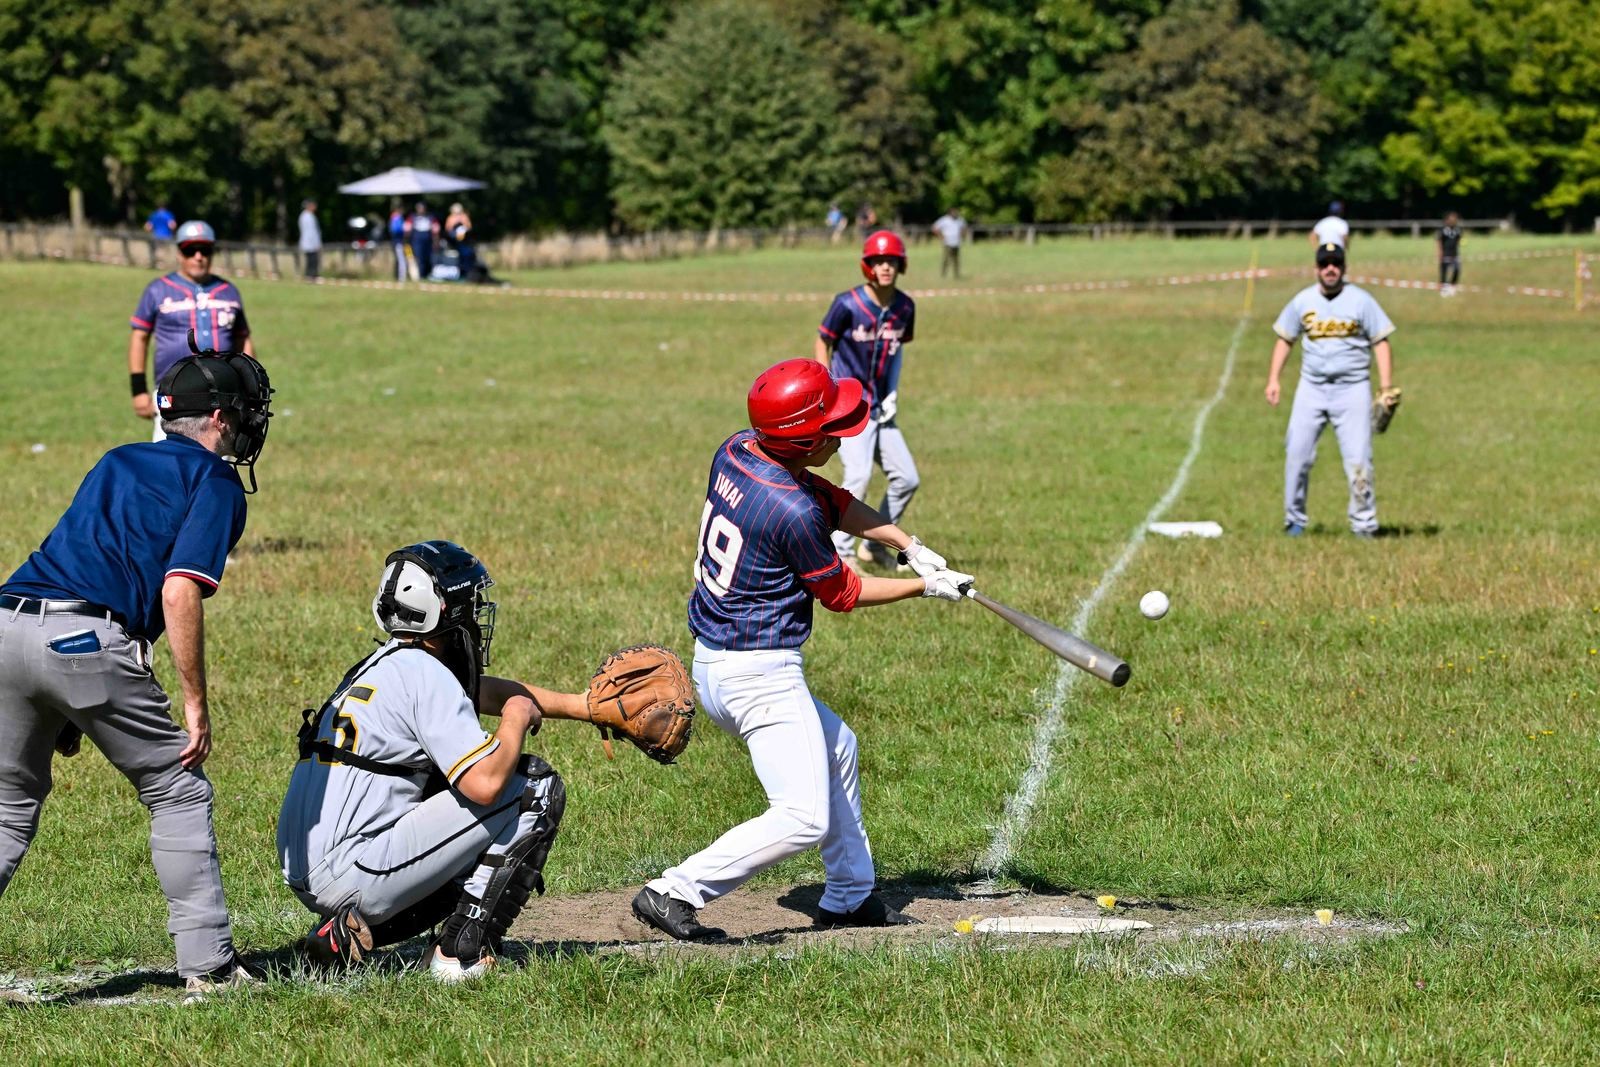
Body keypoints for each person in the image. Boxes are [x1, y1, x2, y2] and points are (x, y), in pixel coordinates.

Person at [631, 358, 972, 941]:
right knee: (802, 817)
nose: (839, 436)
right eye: (829, 428)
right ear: (801, 438)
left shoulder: (739, 448)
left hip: (719, 659)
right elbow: (842, 591)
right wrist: (927, 586)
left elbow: (830, 498)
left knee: (839, 745)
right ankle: (673, 891)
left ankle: (848, 894)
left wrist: (904, 541)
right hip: (758, 674)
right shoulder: (791, 513)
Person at [0, 351, 273, 1001]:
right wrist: (196, 703)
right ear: (217, 417)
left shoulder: (117, 459)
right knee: (177, 790)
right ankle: (209, 968)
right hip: (83, 640)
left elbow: (82, 563)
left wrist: (61, 704)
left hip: (6, 622)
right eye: (239, 412)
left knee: (5, 808)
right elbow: (179, 591)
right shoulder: (216, 482)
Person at [277, 541, 574, 982]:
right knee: (533, 788)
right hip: (354, 870)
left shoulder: (381, 665)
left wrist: (585, 707)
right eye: (469, 604)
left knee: (447, 789)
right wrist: (514, 719)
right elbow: (487, 784)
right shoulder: (426, 673)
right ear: (444, 611)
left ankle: (343, 934)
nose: (476, 616)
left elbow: (479, 691)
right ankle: (460, 955)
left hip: (312, 869)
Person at [1265, 243, 1398, 538]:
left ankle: (1364, 524)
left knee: (1359, 459)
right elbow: (1285, 338)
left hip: (1352, 389)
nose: (1330, 268)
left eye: (1336, 263)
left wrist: (1386, 387)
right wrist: (1274, 378)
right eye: (1324, 263)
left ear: (1344, 267)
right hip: (1311, 389)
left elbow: (1381, 341)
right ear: (1316, 268)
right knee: (1297, 455)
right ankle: (1294, 521)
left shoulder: (1361, 302)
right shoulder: (1302, 301)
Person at [814, 230, 918, 570]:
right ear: (867, 265)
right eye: (878, 261)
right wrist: (828, 388)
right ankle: (840, 553)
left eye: (891, 261)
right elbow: (822, 340)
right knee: (857, 476)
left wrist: (893, 391)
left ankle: (873, 545)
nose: (885, 267)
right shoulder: (847, 304)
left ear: (900, 264)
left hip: (880, 407)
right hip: (850, 407)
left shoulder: (905, 307)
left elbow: (897, 350)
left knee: (906, 478)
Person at [129, 220, 254, 441]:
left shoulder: (228, 292)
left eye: (205, 250)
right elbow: (139, 337)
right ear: (179, 253)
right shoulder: (158, 289)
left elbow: (242, 339)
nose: (198, 256)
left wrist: (249, 388)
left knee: (217, 465)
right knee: (169, 462)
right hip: (174, 392)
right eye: (190, 250)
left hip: (221, 393)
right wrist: (138, 390)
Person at [931, 208, 968, 279]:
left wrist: (962, 236)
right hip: (947, 243)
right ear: (950, 213)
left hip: (957, 242)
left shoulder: (960, 220)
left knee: (956, 260)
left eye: (956, 212)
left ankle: (956, 274)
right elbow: (935, 227)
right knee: (946, 259)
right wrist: (941, 236)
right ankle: (944, 274)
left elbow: (964, 228)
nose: (955, 214)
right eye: (953, 212)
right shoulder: (944, 220)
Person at [1437, 211, 1463, 296]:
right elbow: (1439, 241)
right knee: (1444, 271)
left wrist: (1460, 242)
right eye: (1451, 219)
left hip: (1455, 254)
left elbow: (1459, 239)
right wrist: (1440, 252)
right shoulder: (1443, 230)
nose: (1453, 221)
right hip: (1445, 254)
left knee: (1457, 269)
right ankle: (1443, 289)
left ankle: (1452, 286)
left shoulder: (1458, 230)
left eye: (1455, 219)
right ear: (1447, 220)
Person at [410, 202, 437, 282]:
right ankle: (419, 275)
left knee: (428, 258)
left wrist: (436, 241)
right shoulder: (412, 217)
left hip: (428, 240)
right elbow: (407, 230)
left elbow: (435, 230)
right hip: (417, 240)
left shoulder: (430, 217)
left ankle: (427, 274)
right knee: (419, 258)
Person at [297, 199, 322, 281]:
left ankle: (312, 275)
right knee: (312, 259)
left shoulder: (307, 216)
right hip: (309, 242)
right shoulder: (307, 216)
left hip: (309, 242)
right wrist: (316, 243)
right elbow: (311, 232)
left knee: (312, 259)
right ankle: (310, 276)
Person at [388, 204, 408, 282]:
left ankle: (402, 276)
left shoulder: (398, 218)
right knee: (401, 260)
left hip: (403, 242)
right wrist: (404, 228)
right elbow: (395, 230)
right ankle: (401, 277)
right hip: (398, 242)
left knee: (404, 259)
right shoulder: (396, 218)